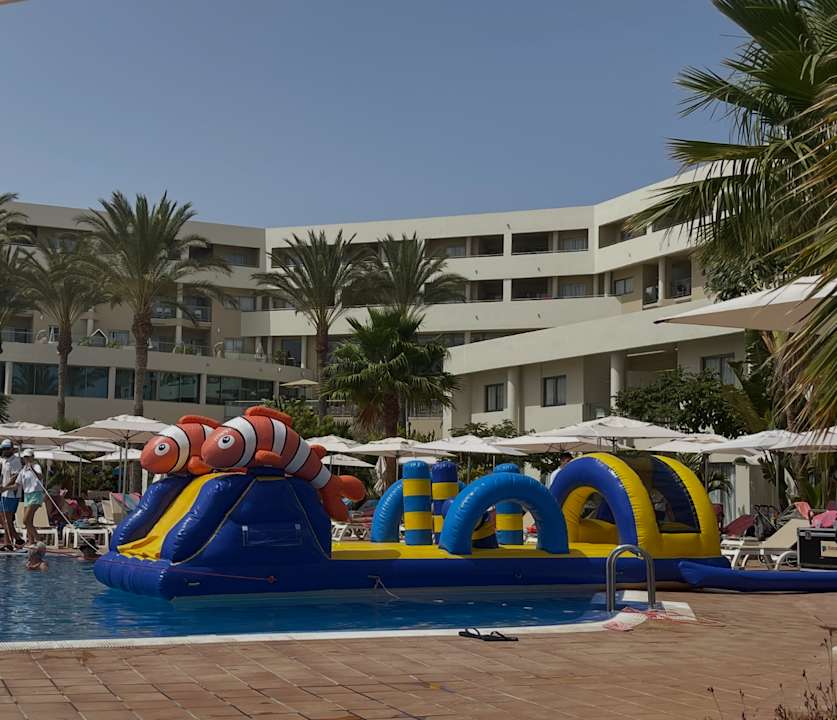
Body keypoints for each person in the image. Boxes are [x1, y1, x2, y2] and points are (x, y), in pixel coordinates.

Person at [0, 440, 24, 551]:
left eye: (6, 449)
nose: (4, 451)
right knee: (4, 519)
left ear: (11, 449)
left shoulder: (16, 461)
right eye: (3, 449)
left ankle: (8, 543)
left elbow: (15, 477)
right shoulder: (4, 460)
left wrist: (4, 487)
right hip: (4, 493)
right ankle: (17, 539)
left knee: (7, 520)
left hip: (11, 494)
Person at [18, 449, 45, 546]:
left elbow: (40, 477)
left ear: (32, 457)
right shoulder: (23, 470)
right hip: (27, 496)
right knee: (29, 521)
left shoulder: (36, 466)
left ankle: (39, 541)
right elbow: (17, 484)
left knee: (25, 520)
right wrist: (4, 488)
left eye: (28, 457)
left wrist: (32, 468)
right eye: (25, 457)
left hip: (36, 494)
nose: (26, 459)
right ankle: (31, 543)